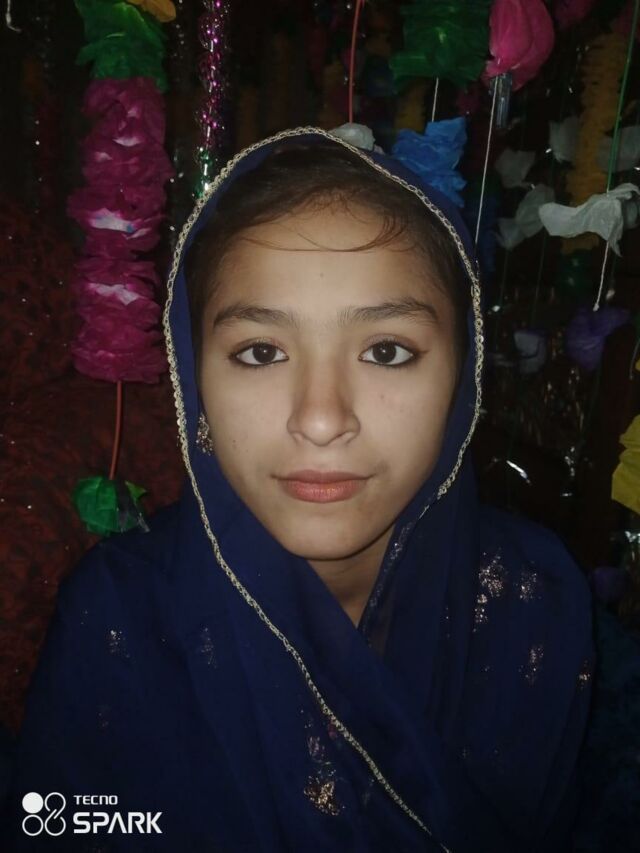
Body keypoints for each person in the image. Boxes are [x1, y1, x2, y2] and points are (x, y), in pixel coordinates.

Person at [1, 127, 594, 852]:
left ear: (462, 380)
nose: (320, 418)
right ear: (195, 379)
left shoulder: (537, 600)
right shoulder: (118, 618)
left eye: (386, 351)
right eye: (261, 352)